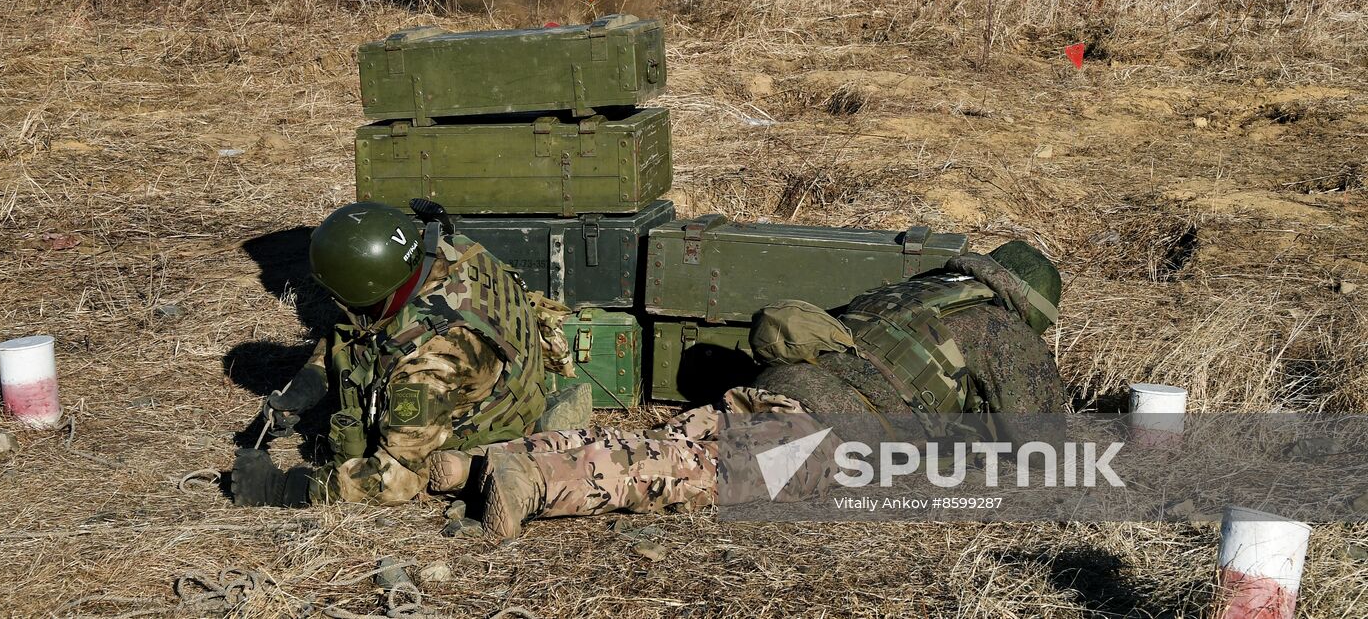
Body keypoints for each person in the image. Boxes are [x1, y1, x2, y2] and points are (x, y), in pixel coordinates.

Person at [436, 240, 1066, 537]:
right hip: (833, 427)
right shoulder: (1004, 331)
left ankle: (487, 462)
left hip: (782, 384)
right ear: (1031, 305)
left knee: (671, 440)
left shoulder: (918, 290)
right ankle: (535, 482)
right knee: (681, 473)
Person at [230, 201, 575, 508]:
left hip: (488, 429)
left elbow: (393, 480)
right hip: (516, 375)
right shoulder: (449, 250)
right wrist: (312, 379)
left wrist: (284, 488)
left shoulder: (427, 365)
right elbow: (355, 324)